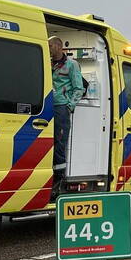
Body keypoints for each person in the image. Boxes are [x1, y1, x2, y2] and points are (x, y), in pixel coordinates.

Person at [49, 36, 84, 202]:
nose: (48, 48)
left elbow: (79, 88)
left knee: (59, 143)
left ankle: (58, 181)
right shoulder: (48, 62)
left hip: (61, 108)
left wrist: (69, 106)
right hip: (47, 107)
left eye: (50, 46)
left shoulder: (71, 65)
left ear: (58, 46)